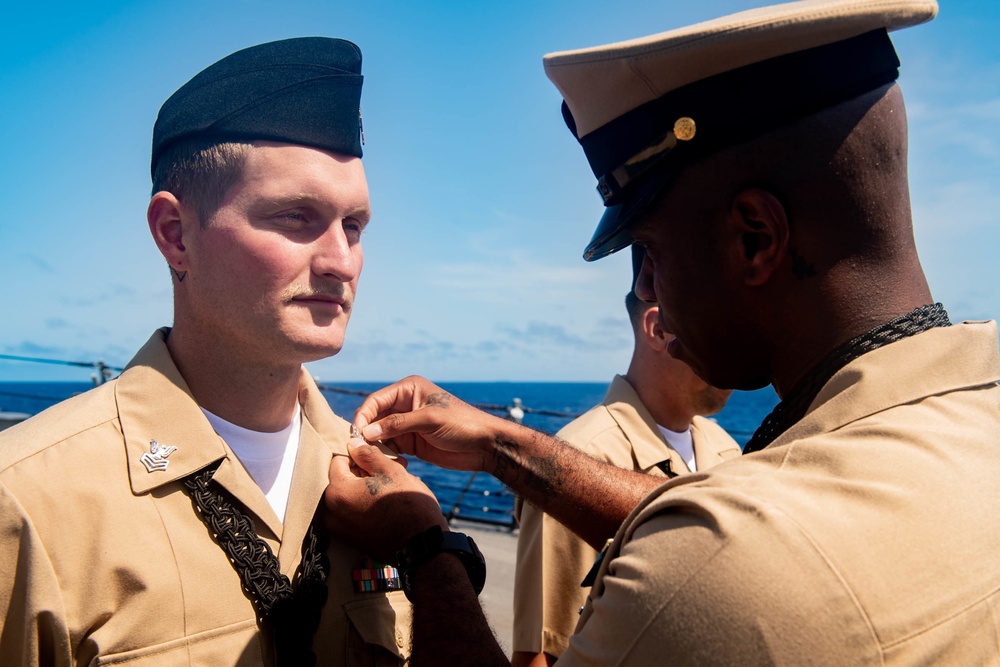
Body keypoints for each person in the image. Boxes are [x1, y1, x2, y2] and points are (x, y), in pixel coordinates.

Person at [323, 0, 1000, 664]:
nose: (645, 290)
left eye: (652, 248)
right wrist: (504, 445)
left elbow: (733, 549)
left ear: (755, 238)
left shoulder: (712, 570)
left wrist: (425, 545)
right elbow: (776, 518)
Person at [0, 38, 412, 666]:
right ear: (175, 235)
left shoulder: (378, 486)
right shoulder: (29, 502)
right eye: (296, 217)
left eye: (353, 226)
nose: (340, 262)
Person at [512, 286, 737, 666]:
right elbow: (541, 653)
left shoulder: (726, 450)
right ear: (659, 330)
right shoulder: (579, 462)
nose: (743, 350)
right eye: (729, 328)